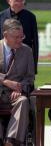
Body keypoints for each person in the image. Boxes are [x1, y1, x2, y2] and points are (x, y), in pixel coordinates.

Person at [0, 18, 35, 146]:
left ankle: (11, 141)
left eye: (22, 36)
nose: (20, 40)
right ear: (5, 35)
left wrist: (19, 88)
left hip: (16, 94)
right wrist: (6, 81)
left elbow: (30, 77)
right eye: (16, 37)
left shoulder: (27, 51)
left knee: (23, 101)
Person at [0, 0, 39, 74]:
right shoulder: (1, 17)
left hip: (24, 63)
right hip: (3, 64)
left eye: (22, 0)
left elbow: (35, 44)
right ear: (8, 0)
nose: (19, 3)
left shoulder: (31, 17)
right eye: (16, 0)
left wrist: (33, 68)